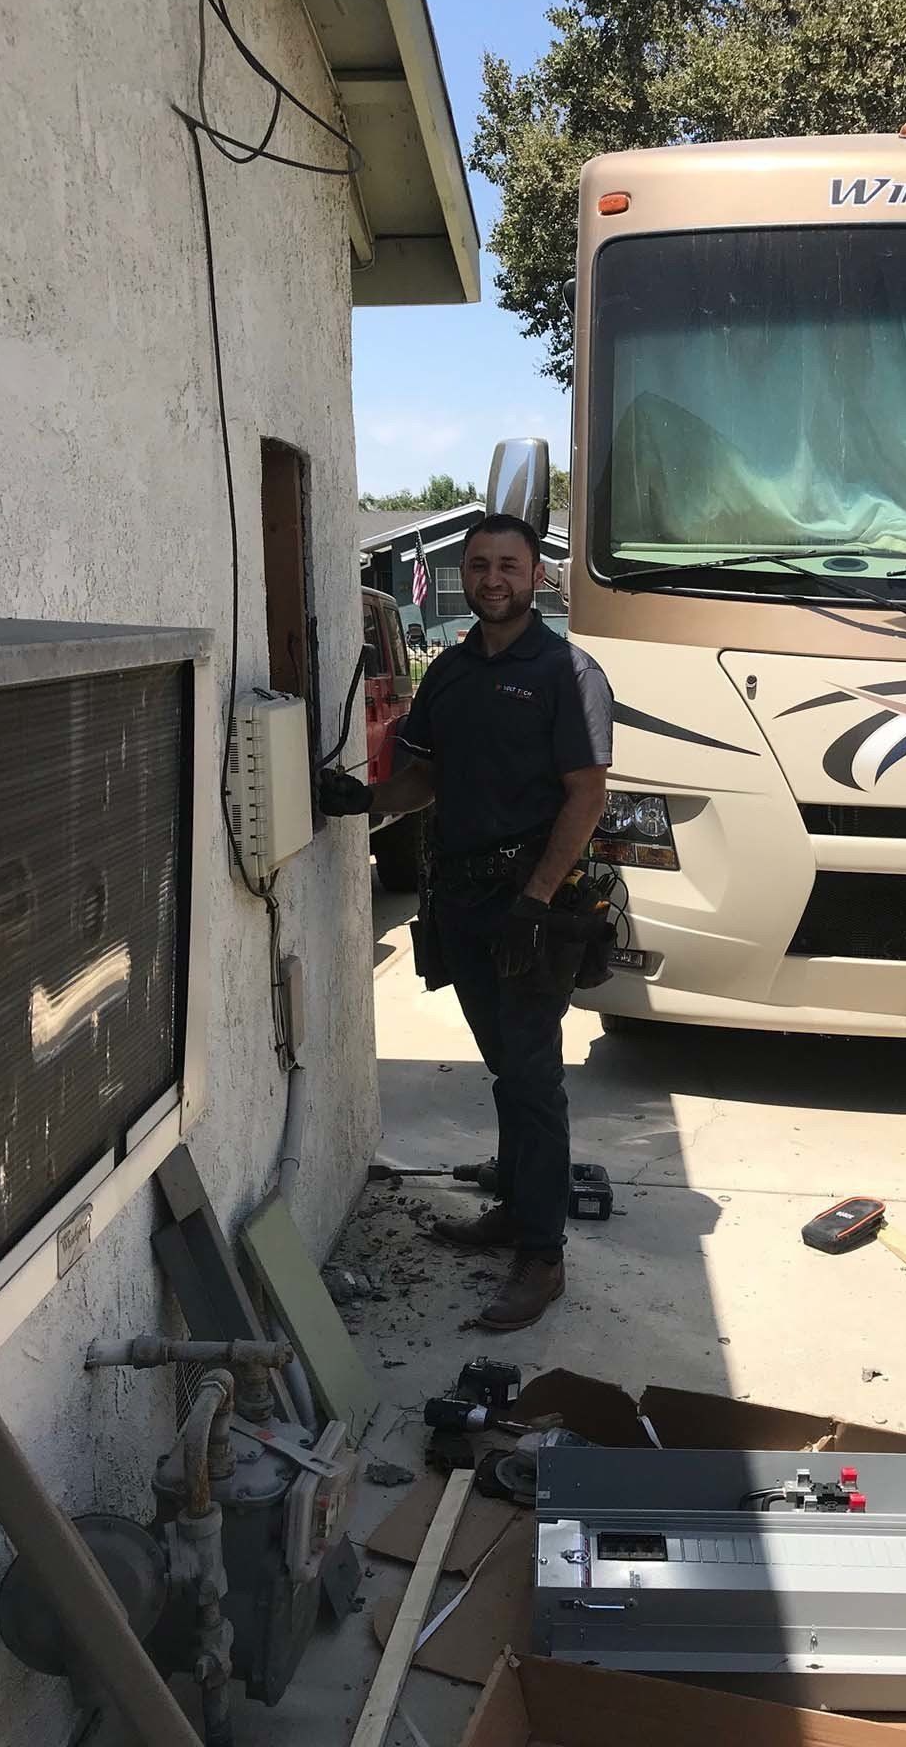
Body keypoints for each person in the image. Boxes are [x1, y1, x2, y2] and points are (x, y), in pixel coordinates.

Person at [318, 515, 612, 1331]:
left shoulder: (566, 672)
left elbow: (587, 794)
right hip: (464, 902)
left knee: (533, 1077)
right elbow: (427, 779)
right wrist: (366, 800)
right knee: (506, 1067)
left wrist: (537, 900)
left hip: (531, 907)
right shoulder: (449, 671)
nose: (492, 579)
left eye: (508, 566)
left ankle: (542, 1255)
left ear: (535, 576)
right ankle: (515, 1209)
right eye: (479, 565)